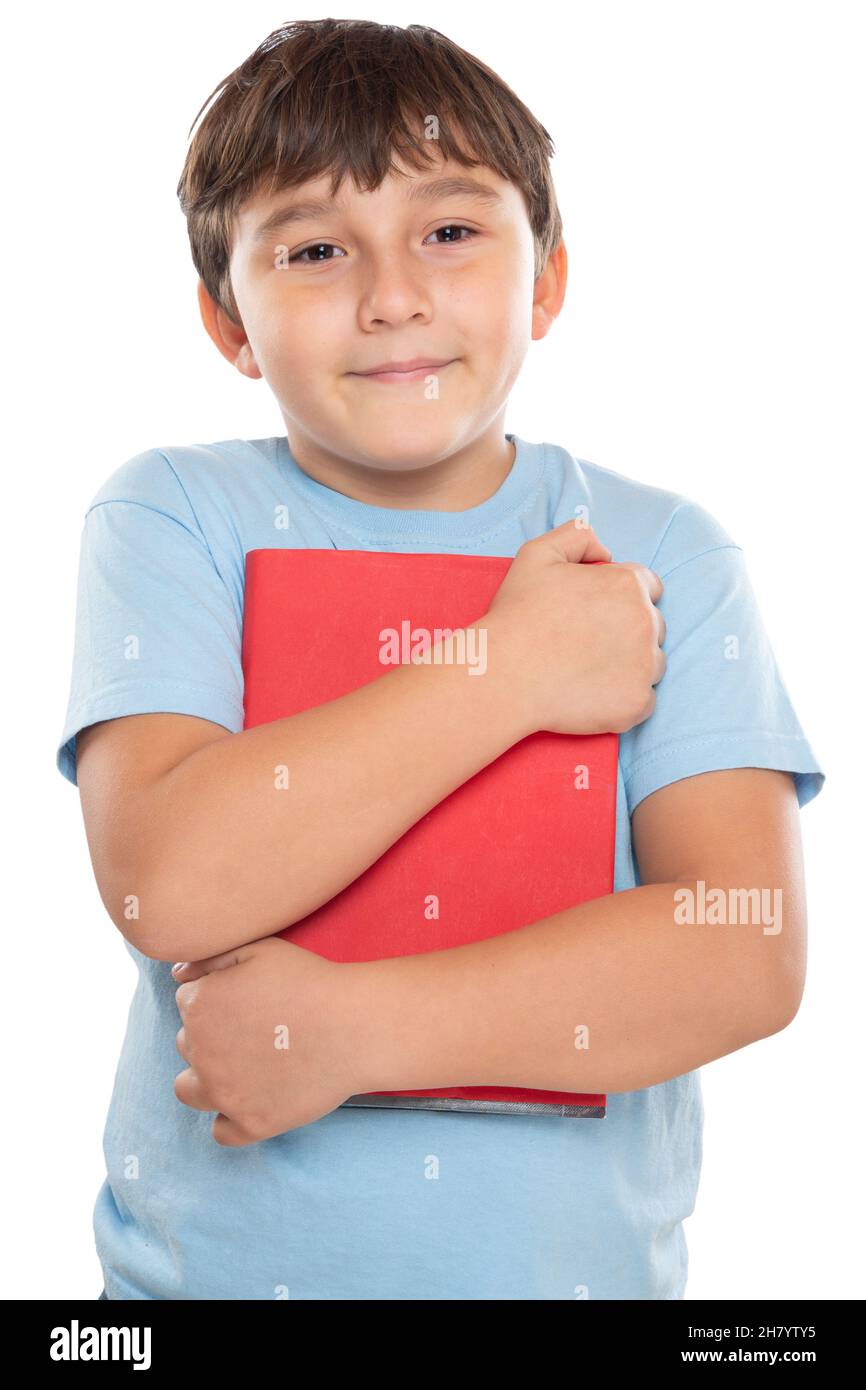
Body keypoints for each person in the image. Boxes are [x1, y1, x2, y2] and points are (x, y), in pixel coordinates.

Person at [56, 18, 825, 1300]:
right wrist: (504, 671)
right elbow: (168, 884)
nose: (391, 295)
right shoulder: (170, 516)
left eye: (450, 231)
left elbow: (739, 949)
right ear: (225, 320)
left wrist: (357, 1034)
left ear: (547, 282)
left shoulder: (664, 551)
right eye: (312, 250)